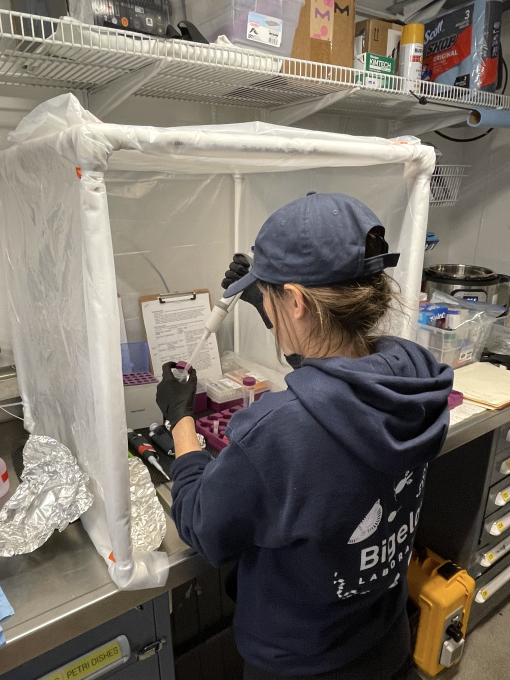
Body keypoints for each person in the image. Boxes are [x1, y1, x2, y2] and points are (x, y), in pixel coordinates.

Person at [156, 193, 453, 680]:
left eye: (272, 296)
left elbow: (201, 523)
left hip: (304, 664)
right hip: (387, 639)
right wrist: (263, 305)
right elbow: (339, 374)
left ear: (296, 301)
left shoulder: (278, 432)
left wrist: (180, 420)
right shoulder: (415, 373)